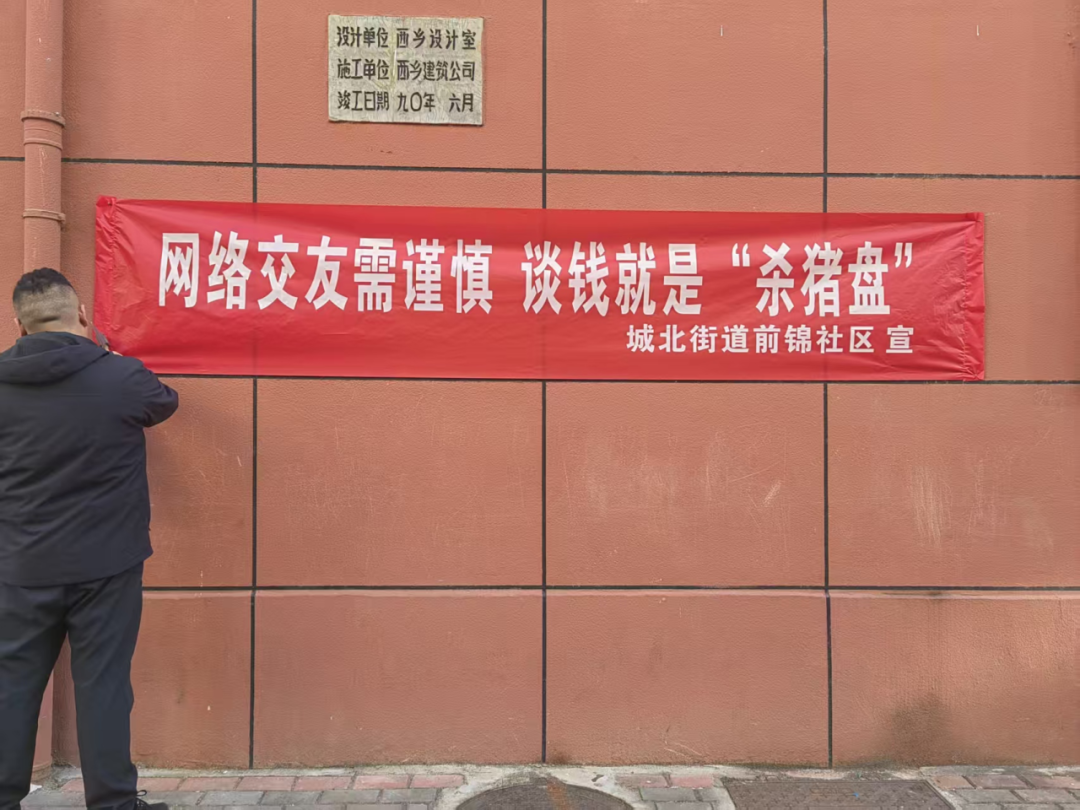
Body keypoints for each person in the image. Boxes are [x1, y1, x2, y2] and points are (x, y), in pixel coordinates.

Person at [0, 268, 178, 810]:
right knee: (103, 685)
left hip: (22, 564)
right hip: (107, 564)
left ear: (19, 326)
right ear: (81, 314)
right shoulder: (120, 376)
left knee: (13, 685)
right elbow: (164, 401)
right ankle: (112, 802)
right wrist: (107, 354)